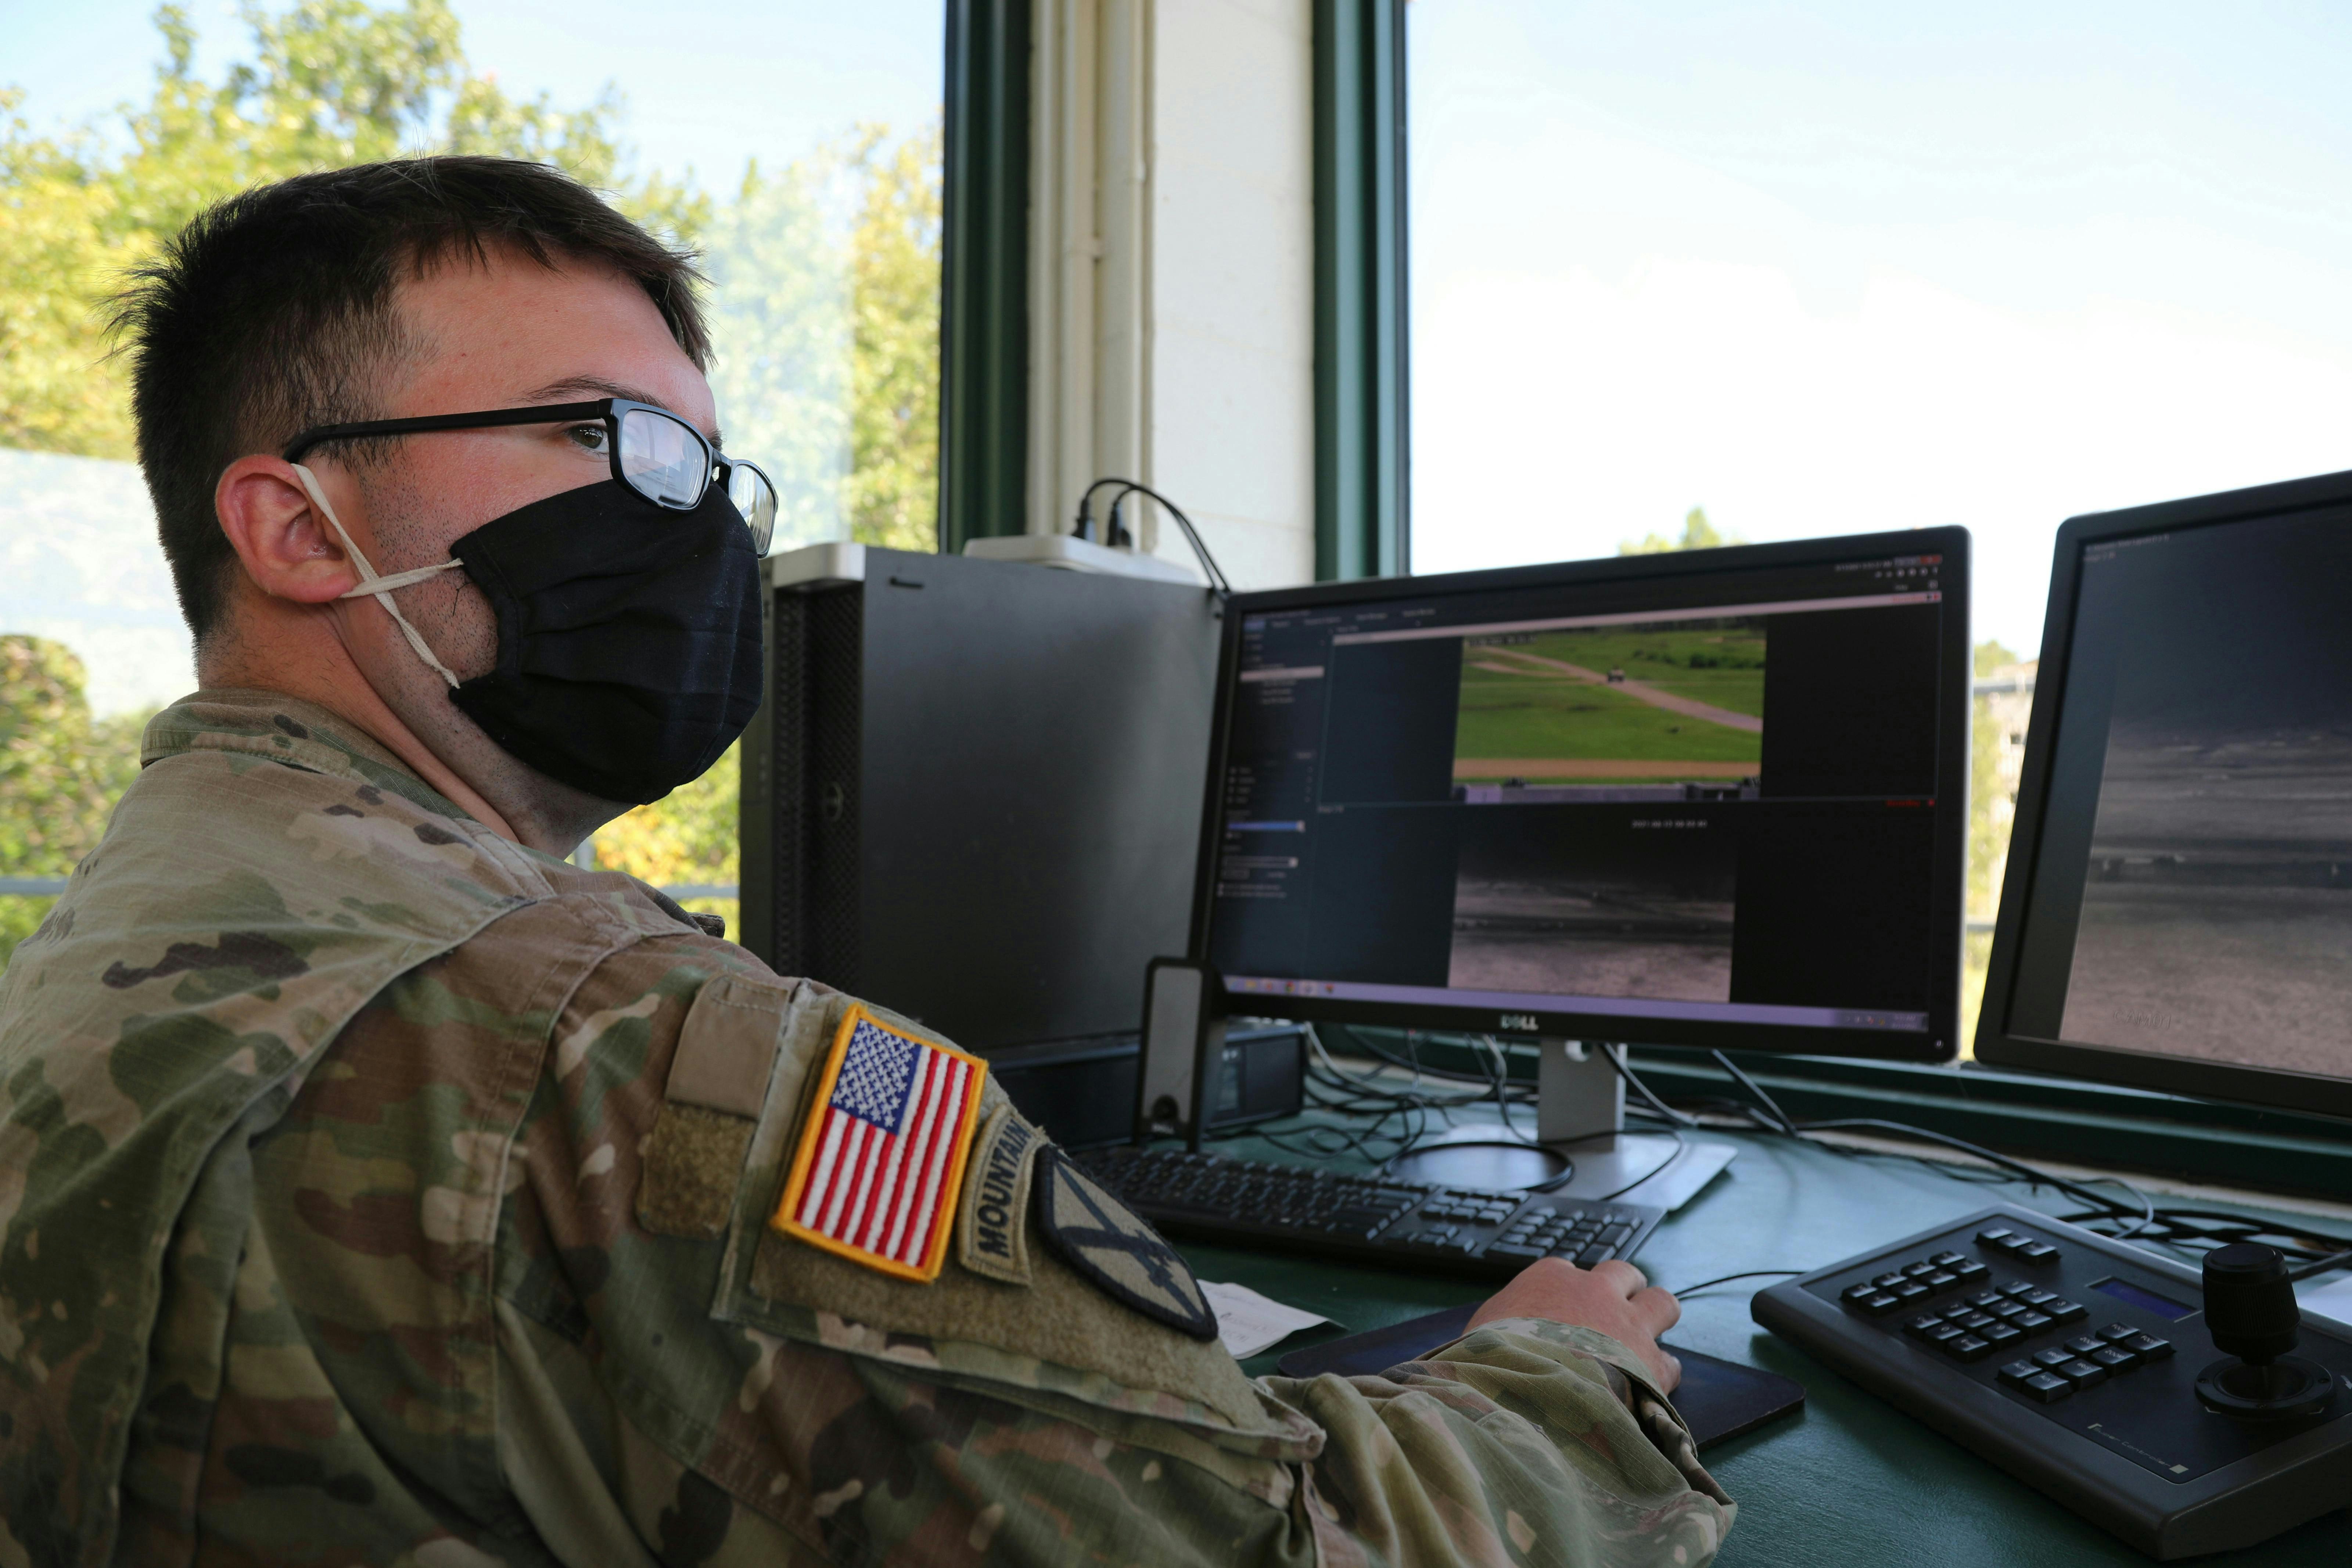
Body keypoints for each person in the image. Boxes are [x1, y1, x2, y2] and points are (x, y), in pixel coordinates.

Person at [0, 157, 1735, 1566]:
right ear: (298, 526)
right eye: (620, 443)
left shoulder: (120, 938)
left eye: (714, 467)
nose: (700, 531)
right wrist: (1564, 1365)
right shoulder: (623, 1042)